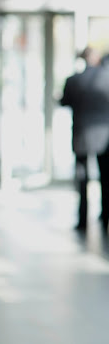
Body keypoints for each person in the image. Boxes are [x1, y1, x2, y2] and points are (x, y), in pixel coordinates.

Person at [60, 47, 109, 233]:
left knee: (82, 179)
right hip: (105, 136)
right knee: (106, 178)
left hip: (82, 135)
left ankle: (82, 220)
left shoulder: (74, 80)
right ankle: (105, 217)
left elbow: (64, 101)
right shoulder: (107, 77)